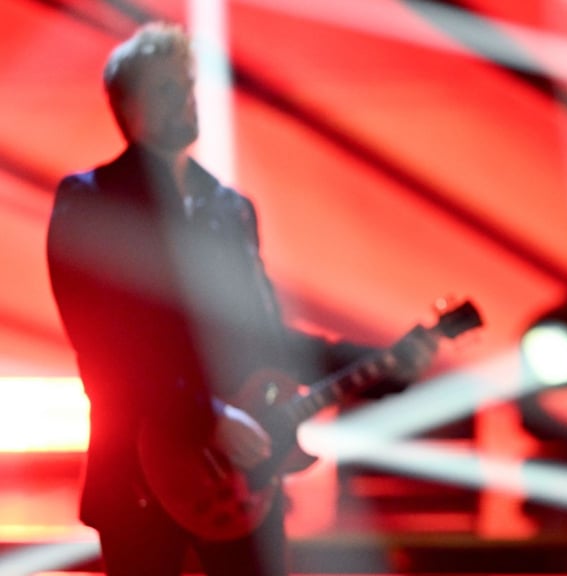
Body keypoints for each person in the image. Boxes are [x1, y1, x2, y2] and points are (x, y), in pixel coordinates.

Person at [46, 22, 435, 576]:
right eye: (165, 89)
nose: (186, 98)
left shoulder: (230, 209)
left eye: (187, 84)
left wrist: (376, 365)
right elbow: (99, 340)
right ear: (127, 106)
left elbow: (262, 334)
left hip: (239, 479)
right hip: (140, 467)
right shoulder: (91, 200)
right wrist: (199, 418)